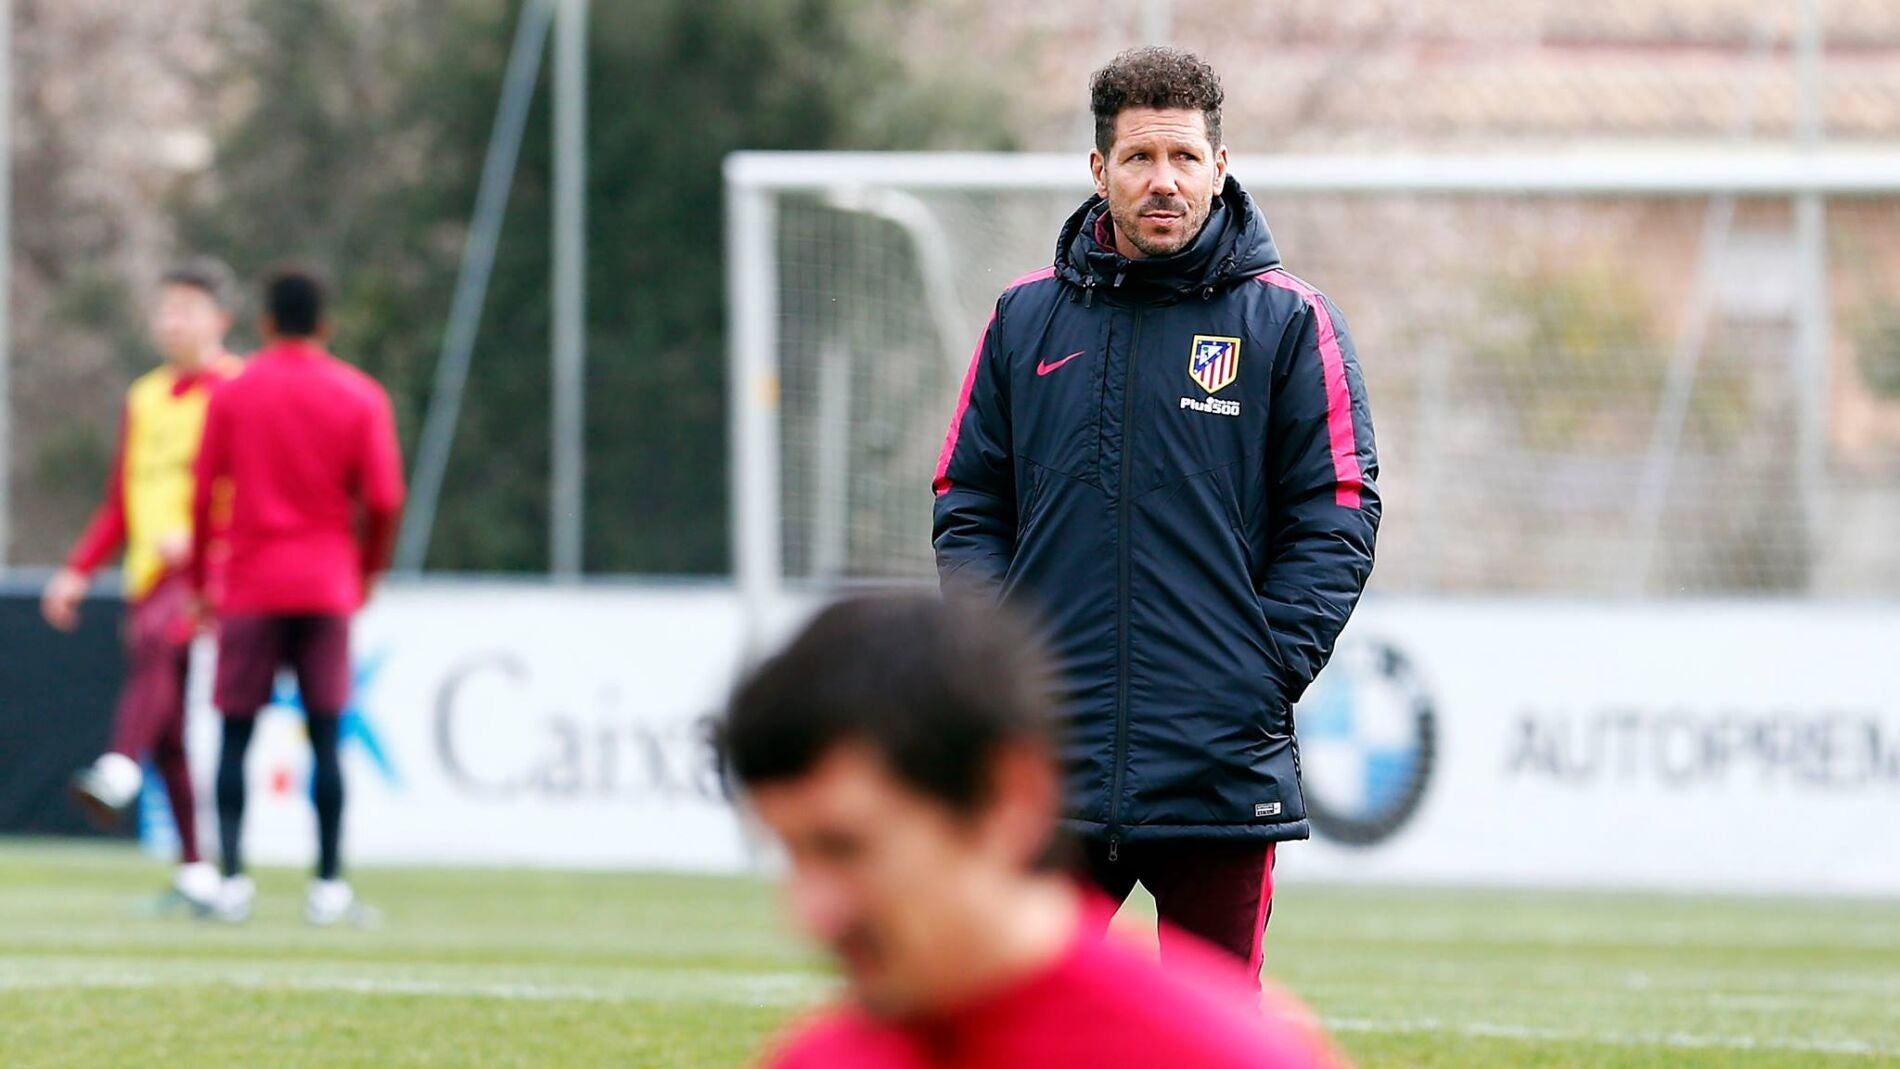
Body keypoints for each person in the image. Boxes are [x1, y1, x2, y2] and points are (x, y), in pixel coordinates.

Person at [931, 47, 1380, 980]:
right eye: (1139, 158)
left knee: (1211, 1036)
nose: (1163, 181)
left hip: (1215, 758)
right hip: (1047, 752)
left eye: (1184, 157)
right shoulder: (1025, 321)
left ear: (1220, 165)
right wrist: (996, 651)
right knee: (1017, 1019)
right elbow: (967, 494)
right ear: (1100, 172)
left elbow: (1337, 509)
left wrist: (1261, 670)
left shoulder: (1288, 323)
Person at [718, 594, 1343, 1069]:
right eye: (792, 855)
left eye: (846, 847)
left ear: (1005, 800)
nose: (812, 914)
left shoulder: (1221, 1052)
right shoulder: (818, 1056)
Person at [188, 266, 404, 925]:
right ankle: (328, 885)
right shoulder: (359, 394)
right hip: (325, 583)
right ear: (326, 325)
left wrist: (202, 581)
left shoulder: (234, 392)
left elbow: (202, 494)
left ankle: (231, 883)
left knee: (235, 732)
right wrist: (366, 570)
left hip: (251, 583)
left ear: (264, 323)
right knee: (328, 733)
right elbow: (386, 497)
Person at [45, 259, 243, 911]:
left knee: (160, 648)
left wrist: (209, 538)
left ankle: (118, 765)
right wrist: (79, 569)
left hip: (209, 573)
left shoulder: (240, 389)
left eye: (187, 308)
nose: (171, 320)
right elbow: (120, 500)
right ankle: (197, 873)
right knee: (171, 731)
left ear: (221, 319)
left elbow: (253, 486)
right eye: (165, 308)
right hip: (148, 574)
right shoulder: (146, 397)